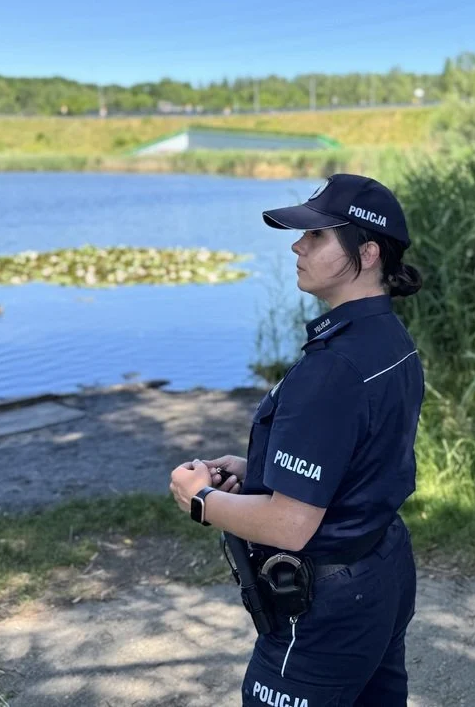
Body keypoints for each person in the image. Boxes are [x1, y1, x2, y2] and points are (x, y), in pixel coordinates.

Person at [169, 172, 425, 707]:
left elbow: (290, 524)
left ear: (368, 253)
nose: (297, 246)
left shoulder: (333, 367)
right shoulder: (388, 338)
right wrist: (260, 470)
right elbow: (360, 458)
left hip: (328, 598)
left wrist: (201, 500)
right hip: (382, 567)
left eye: (317, 235)